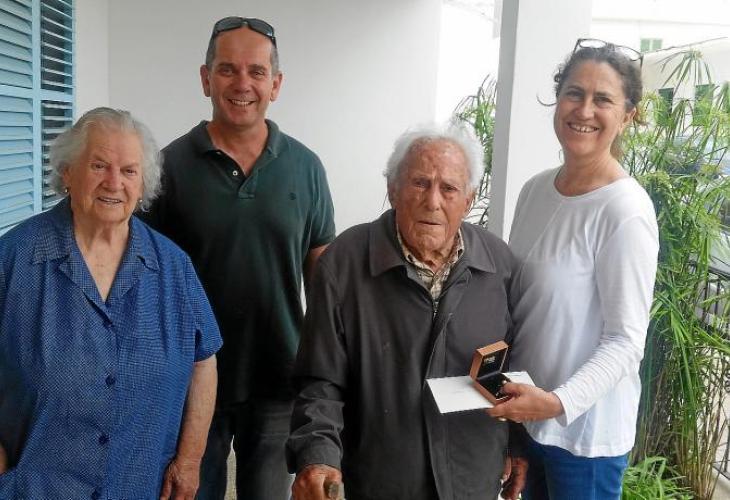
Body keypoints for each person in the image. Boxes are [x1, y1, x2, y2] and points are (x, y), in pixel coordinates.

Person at [141, 16, 335, 500]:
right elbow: (145, 279)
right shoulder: (166, 168)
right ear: (205, 78)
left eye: (256, 71)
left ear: (276, 84)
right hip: (191, 380)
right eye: (227, 69)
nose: (242, 84)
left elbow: (323, 280)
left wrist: (327, 375)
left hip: (278, 379)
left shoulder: (306, 168)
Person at [287, 124, 528, 500]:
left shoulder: (500, 265)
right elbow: (320, 380)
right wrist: (317, 456)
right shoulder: (345, 263)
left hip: (471, 478)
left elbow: (510, 369)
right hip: (382, 479)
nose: (433, 201)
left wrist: (517, 444)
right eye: (419, 183)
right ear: (393, 190)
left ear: (468, 201)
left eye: (449, 189)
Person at [0, 107, 222, 499]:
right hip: (39, 488)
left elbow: (203, 361)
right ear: (67, 172)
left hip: (141, 484)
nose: (114, 182)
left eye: (129, 171)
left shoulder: (173, 266)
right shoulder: (15, 258)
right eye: (99, 165)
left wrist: (189, 460)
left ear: (143, 184)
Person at [487, 39, 659, 499]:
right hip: (529, 420)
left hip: (584, 439)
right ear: (557, 99)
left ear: (628, 116)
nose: (584, 110)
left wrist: (558, 402)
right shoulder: (534, 190)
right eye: (574, 93)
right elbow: (521, 306)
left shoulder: (625, 210)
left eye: (603, 99)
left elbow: (626, 341)